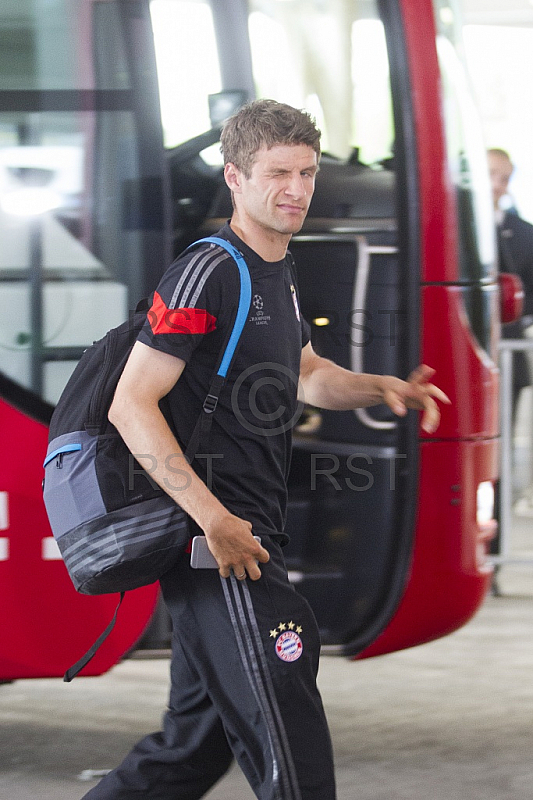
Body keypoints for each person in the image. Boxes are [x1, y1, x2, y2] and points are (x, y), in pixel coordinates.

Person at [82, 99, 450, 800]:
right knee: (290, 732)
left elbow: (306, 373)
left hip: (244, 533)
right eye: (277, 172)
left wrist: (379, 388)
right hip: (220, 541)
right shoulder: (208, 270)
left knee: (189, 749)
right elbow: (131, 403)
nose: (295, 189)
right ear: (235, 177)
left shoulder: (275, 267)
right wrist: (213, 519)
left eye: (306, 172)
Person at [488, 148, 533, 421]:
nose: (496, 184)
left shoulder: (526, 233)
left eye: (504, 178)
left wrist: (512, 313)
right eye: (490, 174)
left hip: (507, 347)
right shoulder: (448, 224)